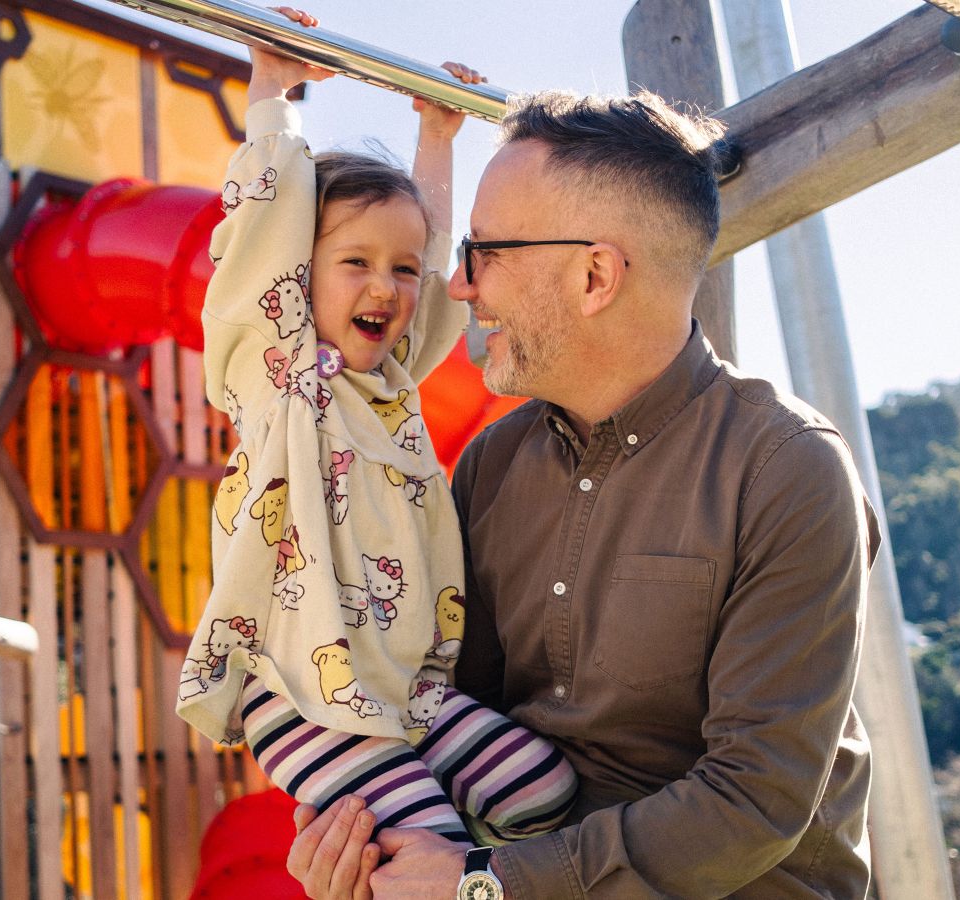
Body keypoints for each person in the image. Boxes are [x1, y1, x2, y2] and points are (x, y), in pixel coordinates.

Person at [289, 89, 878, 899]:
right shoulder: (490, 466)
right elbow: (442, 715)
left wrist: (478, 887)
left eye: (483, 253)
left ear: (595, 275)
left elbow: (753, 801)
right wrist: (368, 846)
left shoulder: (788, 469)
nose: (458, 288)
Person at [176, 7, 575, 852]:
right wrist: (272, 92)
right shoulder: (279, 369)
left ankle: (455, 842)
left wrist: (438, 138)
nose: (385, 288)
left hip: (407, 692)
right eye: (354, 263)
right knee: (429, 843)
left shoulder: (390, 384)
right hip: (298, 693)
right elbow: (263, 229)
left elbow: (430, 267)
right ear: (300, 274)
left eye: (394, 270)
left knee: (547, 790)